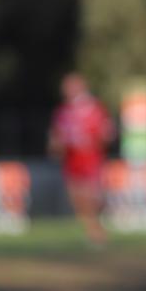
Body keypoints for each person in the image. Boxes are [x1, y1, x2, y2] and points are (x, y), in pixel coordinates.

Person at [49, 73, 114, 247]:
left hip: (91, 159)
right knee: (77, 199)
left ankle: (97, 232)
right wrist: (56, 146)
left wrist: (99, 139)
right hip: (72, 161)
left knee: (91, 197)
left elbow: (106, 132)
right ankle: (93, 231)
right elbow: (56, 136)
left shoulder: (94, 109)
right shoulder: (63, 112)